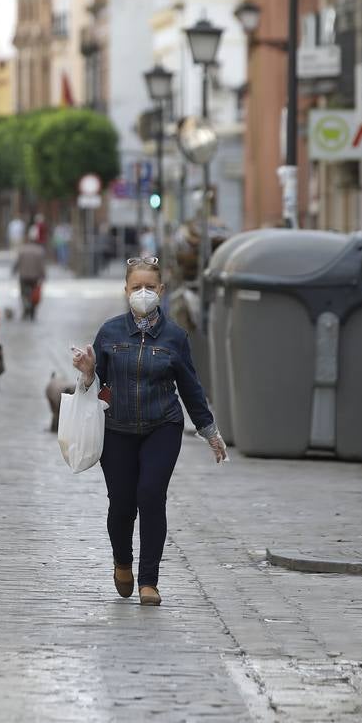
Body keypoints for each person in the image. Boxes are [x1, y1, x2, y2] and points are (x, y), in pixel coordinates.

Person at [71, 256, 226, 607]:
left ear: (162, 290)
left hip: (162, 426)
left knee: (151, 496)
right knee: (122, 504)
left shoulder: (175, 337)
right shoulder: (110, 331)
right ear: (125, 291)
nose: (143, 293)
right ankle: (122, 562)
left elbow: (190, 387)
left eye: (150, 287)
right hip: (118, 429)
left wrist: (210, 431)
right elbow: (97, 383)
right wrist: (86, 371)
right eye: (136, 287)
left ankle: (149, 581)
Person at [12, 236, 48, 320]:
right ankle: (32, 308)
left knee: (24, 293)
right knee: (34, 294)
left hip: (24, 276)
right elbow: (42, 265)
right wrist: (44, 275)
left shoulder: (22, 250)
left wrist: (14, 270)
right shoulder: (40, 251)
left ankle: (26, 305)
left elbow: (17, 262)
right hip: (35, 277)